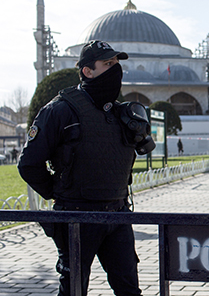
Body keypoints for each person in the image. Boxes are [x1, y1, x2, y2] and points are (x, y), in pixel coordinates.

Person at [18, 40, 154, 296]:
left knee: (129, 289)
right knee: (74, 289)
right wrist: (59, 192)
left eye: (116, 63)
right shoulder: (60, 111)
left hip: (118, 214)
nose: (115, 70)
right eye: (107, 64)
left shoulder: (120, 114)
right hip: (76, 217)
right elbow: (29, 164)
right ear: (87, 71)